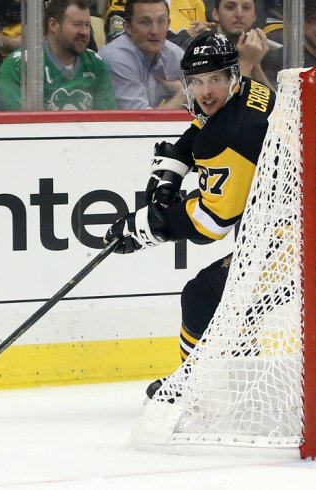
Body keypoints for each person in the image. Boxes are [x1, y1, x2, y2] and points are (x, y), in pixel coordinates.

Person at [103, 31, 274, 397]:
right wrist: (173, 172)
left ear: (232, 76)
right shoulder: (252, 92)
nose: (205, 91)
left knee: (202, 295)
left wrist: (149, 227)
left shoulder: (230, 132)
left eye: (215, 79)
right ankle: (239, 376)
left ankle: (195, 385)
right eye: (196, 82)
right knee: (233, 297)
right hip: (306, 214)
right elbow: (201, 127)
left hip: (308, 232)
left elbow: (213, 222)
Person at [0, 0, 116, 111]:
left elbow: (107, 122)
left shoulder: (96, 63)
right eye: (77, 24)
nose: (84, 32)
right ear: (53, 25)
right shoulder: (20, 65)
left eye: (87, 25)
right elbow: (20, 128)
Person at [99, 0, 185, 109]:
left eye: (161, 21)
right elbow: (141, 120)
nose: (155, 31)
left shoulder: (175, 55)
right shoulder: (116, 58)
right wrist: (185, 94)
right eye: (145, 22)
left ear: (168, 24)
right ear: (128, 27)